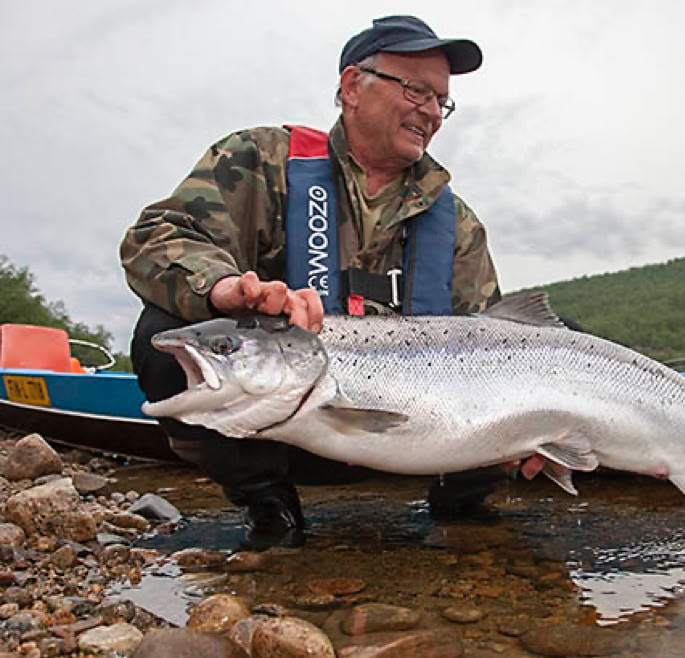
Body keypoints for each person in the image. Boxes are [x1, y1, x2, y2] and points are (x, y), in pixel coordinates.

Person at [121, 15, 543, 544]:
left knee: (550, 346)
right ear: (351, 87)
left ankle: (462, 512)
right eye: (417, 90)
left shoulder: (456, 223)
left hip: (426, 437)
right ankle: (270, 505)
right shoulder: (261, 161)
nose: (432, 112)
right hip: (285, 427)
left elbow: (491, 338)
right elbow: (155, 237)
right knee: (164, 329)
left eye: (442, 100)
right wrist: (220, 290)